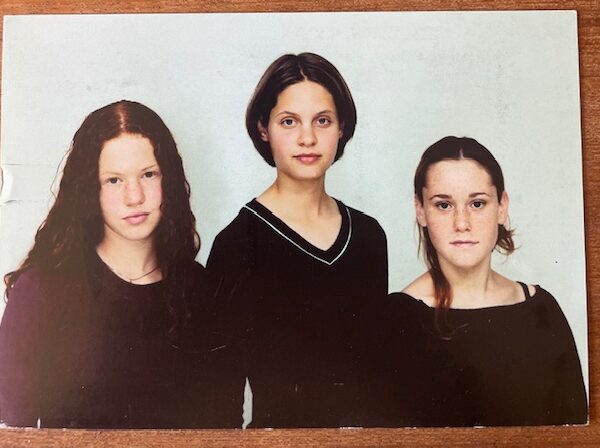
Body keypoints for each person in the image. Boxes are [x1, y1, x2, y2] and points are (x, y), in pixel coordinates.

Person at [0, 100, 244, 428]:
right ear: (91, 189)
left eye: (148, 174)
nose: (134, 196)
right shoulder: (41, 292)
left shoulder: (205, 292)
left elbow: (226, 431)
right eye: (114, 180)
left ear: (169, 181)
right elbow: (12, 432)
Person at [207, 53, 388, 428]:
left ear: (342, 127)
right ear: (263, 128)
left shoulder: (368, 236)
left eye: (322, 120)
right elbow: (221, 401)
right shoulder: (237, 244)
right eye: (289, 121)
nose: (308, 138)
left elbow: (375, 376)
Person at [372, 136, 587, 427]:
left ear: (501, 207)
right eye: (444, 205)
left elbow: (576, 431)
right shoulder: (394, 320)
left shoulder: (542, 310)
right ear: (420, 210)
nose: (462, 223)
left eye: (477, 203)